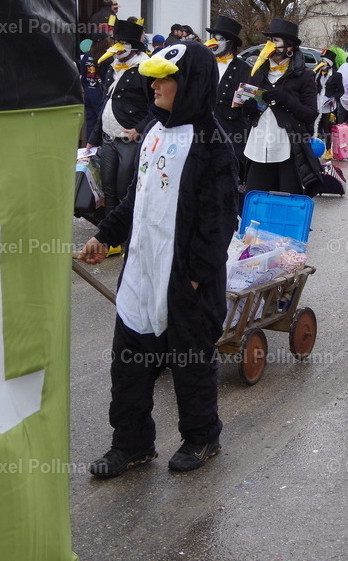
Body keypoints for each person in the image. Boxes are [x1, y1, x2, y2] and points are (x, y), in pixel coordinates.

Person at [77, 41, 239, 478]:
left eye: (164, 78)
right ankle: (131, 444)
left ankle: (202, 436)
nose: (154, 86)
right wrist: (104, 235)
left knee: (191, 366)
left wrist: (194, 278)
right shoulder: (152, 129)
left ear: (189, 83)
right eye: (152, 77)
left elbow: (219, 221)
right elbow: (137, 197)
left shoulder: (212, 145)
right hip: (141, 271)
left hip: (186, 280)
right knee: (128, 363)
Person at [88, 18, 154, 255]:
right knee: (108, 189)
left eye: (125, 43)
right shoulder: (113, 66)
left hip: (130, 139)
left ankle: (130, 239)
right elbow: (106, 102)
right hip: (108, 137)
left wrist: (139, 128)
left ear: (135, 47)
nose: (118, 47)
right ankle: (110, 239)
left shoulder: (145, 68)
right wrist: (93, 137)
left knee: (127, 188)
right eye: (117, 41)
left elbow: (155, 105)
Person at [241, 17, 322, 196]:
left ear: (290, 46)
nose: (270, 45)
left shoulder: (304, 76)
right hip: (258, 146)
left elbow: (310, 114)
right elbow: (248, 110)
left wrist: (287, 100)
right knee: (256, 199)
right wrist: (248, 109)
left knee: (287, 201)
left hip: (287, 147)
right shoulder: (257, 72)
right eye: (269, 40)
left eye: (275, 41)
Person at [204, 15, 252, 188]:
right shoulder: (204, 64)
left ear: (230, 43)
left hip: (232, 133)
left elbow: (247, 106)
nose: (215, 42)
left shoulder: (244, 69)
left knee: (227, 184)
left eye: (220, 39)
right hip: (204, 132)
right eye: (213, 38)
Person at [78, 36, 107, 147]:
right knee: (101, 122)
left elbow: (83, 76)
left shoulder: (86, 56)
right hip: (99, 93)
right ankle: (101, 147)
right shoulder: (104, 57)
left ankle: (90, 148)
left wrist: (87, 88)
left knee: (90, 121)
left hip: (89, 92)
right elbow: (105, 78)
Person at [314, 47, 345, 148]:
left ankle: (327, 149)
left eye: (325, 62)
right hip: (318, 104)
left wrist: (332, 99)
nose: (323, 64)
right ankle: (317, 147)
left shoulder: (337, 75)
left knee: (327, 128)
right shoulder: (317, 74)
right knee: (317, 127)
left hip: (329, 106)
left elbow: (341, 91)